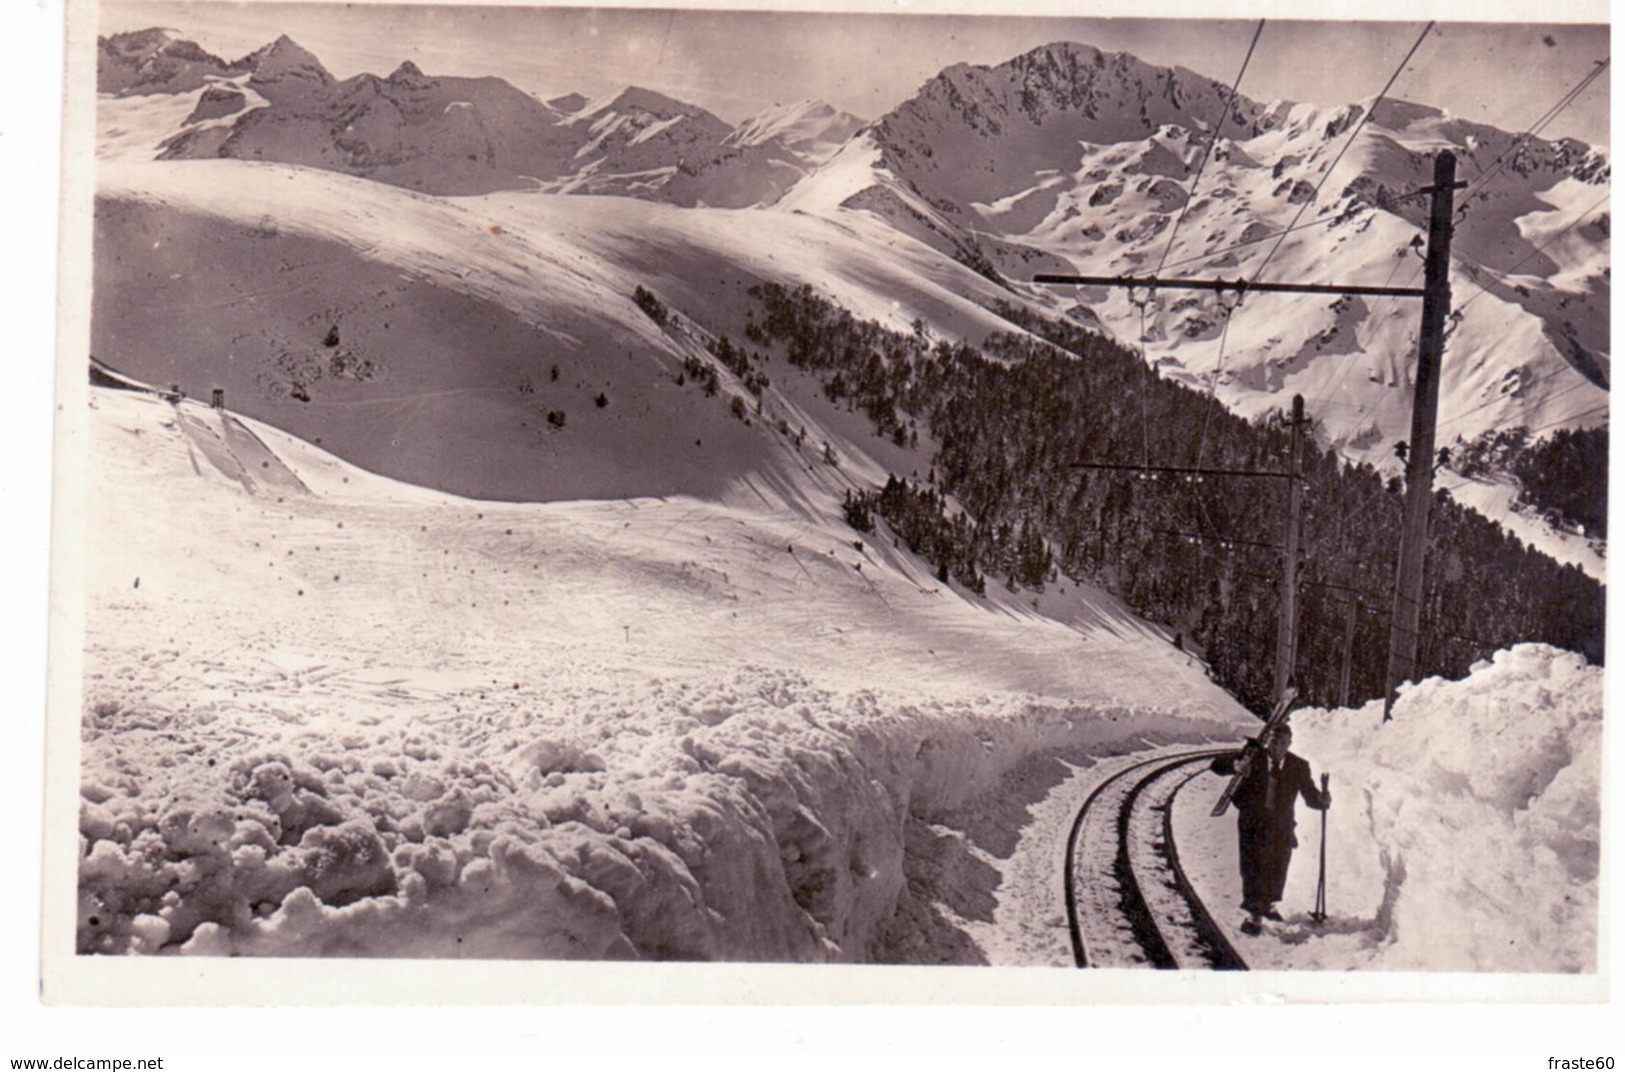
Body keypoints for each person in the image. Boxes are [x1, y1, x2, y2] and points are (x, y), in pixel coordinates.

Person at [1211, 723, 1330, 935]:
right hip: (1252, 822)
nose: (1277, 747)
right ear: (1267, 741)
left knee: (1278, 867)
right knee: (1253, 867)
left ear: (1290, 744)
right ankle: (1254, 916)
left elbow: (1311, 797)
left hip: (1281, 825)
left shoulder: (1298, 766)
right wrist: (1236, 765)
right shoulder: (1252, 756)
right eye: (1274, 741)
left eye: (1283, 743)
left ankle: (1269, 905)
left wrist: (1322, 800)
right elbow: (1217, 764)